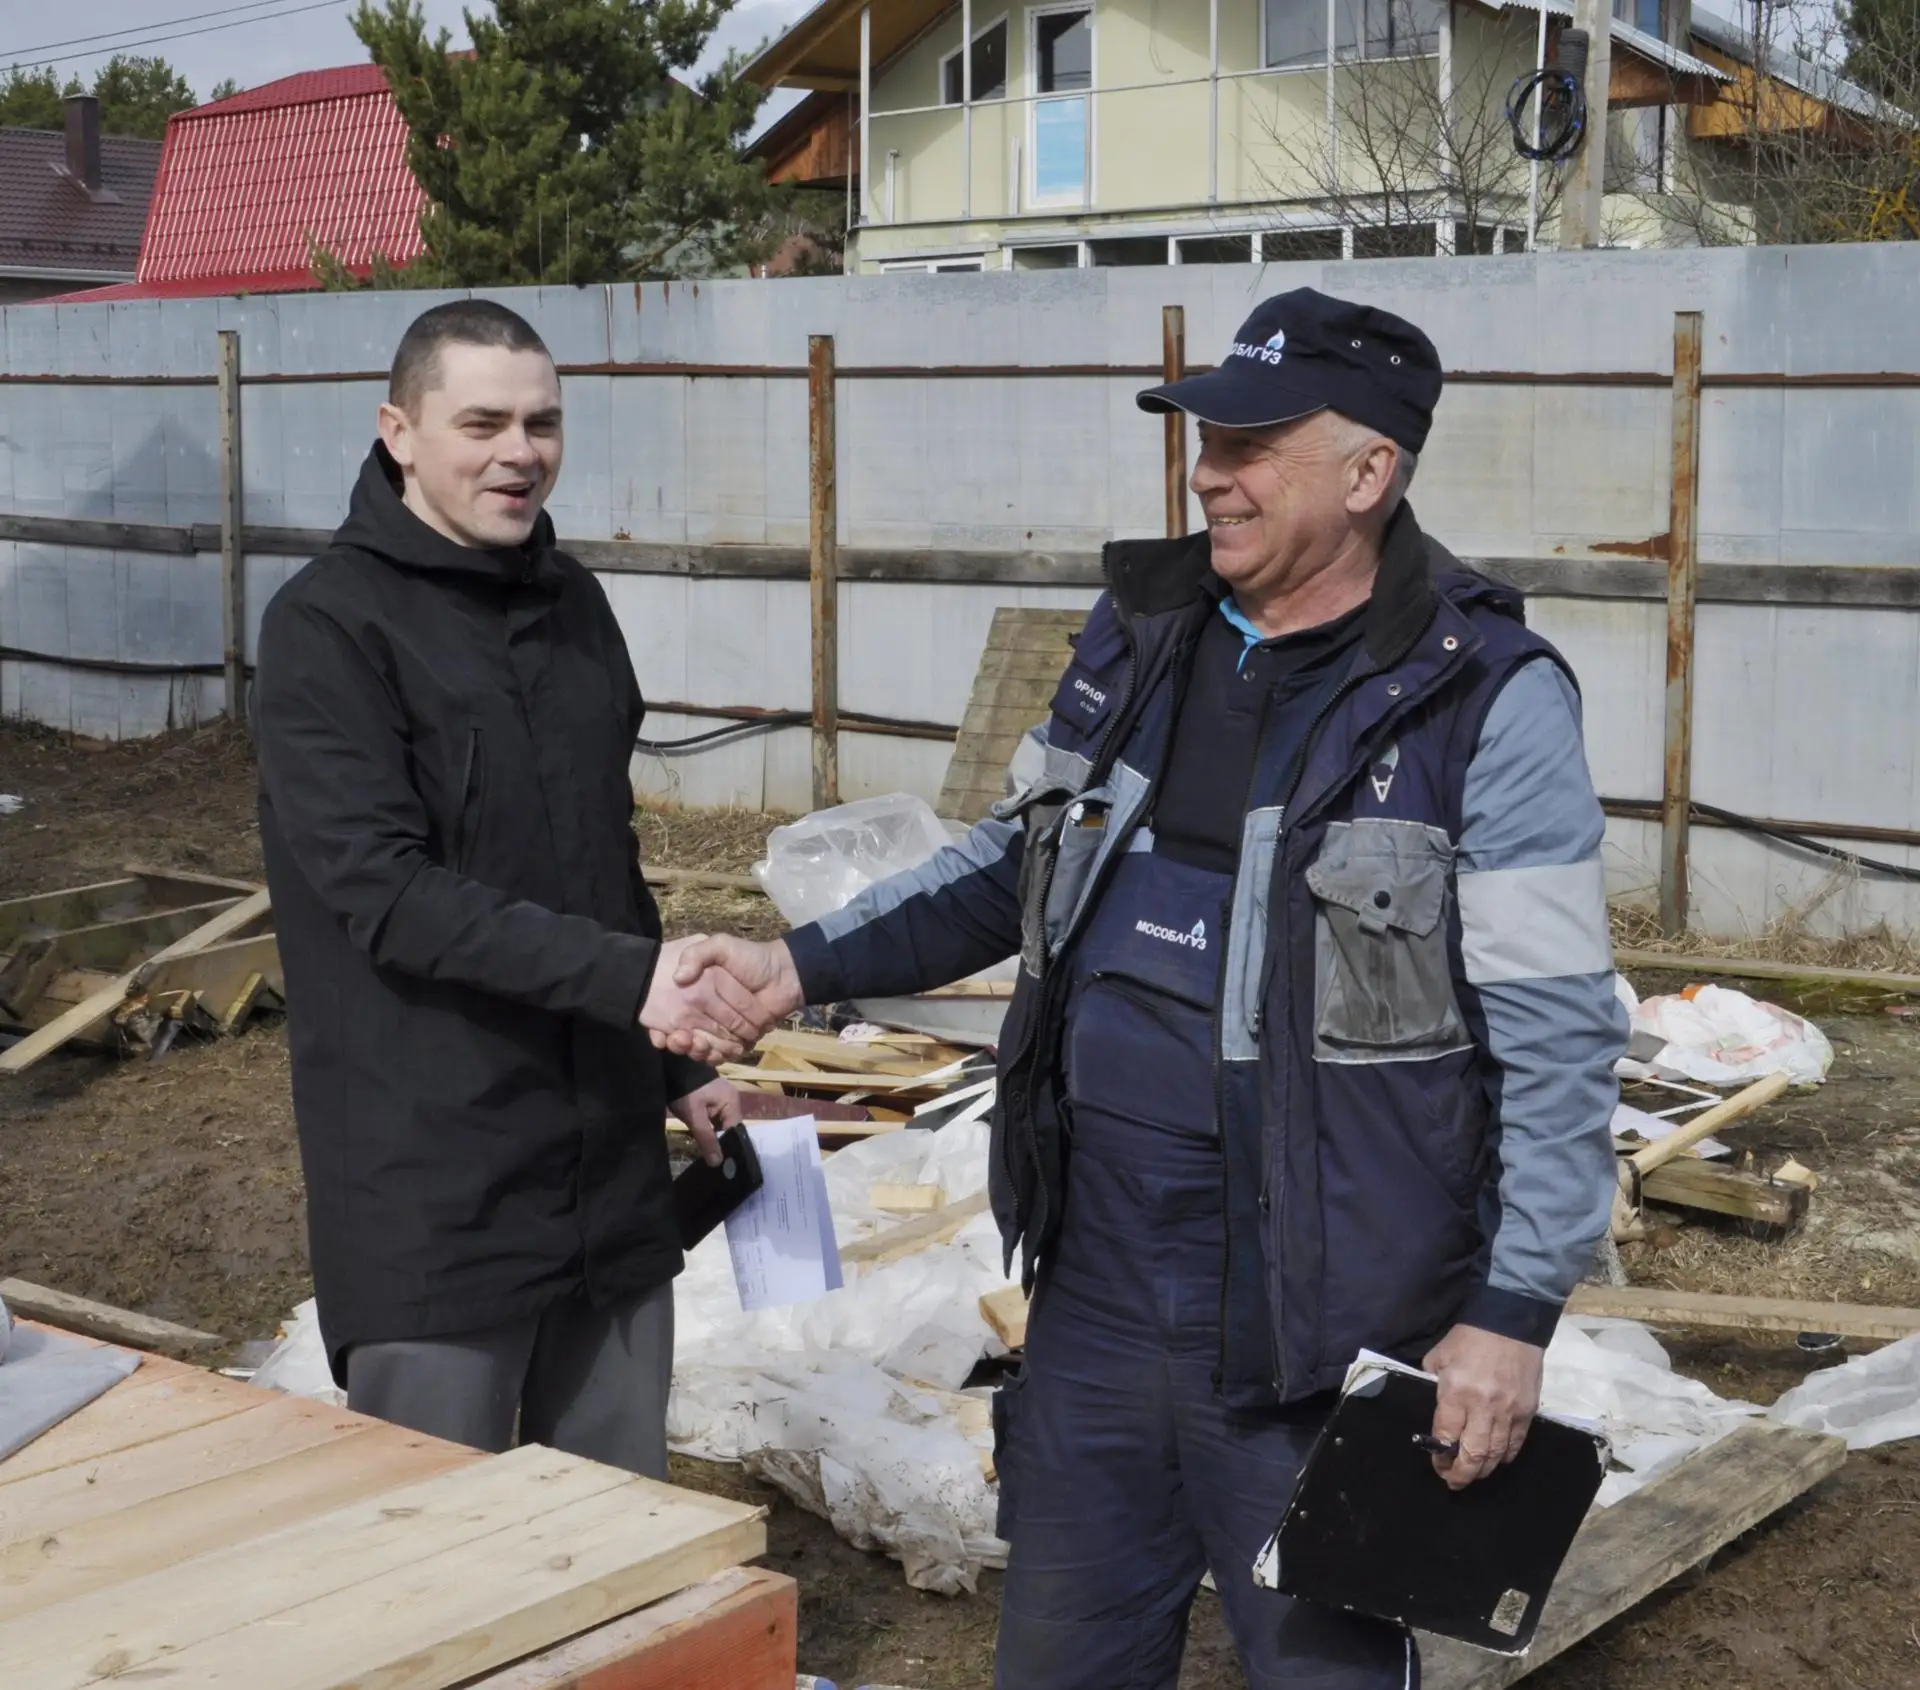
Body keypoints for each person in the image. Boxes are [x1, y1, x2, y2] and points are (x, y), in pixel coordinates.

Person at [674, 289, 1628, 1688]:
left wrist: (1513, 1311)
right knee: (1063, 1659)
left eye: (1251, 446)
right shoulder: (1144, 633)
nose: (1208, 474)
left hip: (1321, 1310)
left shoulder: (1479, 695)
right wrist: (793, 964)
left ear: (1369, 471)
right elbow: (1013, 865)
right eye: (1205, 440)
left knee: (1321, 1670)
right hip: (1100, 1279)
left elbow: (1558, 1039)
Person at [252, 299, 762, 1477]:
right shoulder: (328, 628)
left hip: (606, 1175)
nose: (518, 452)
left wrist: (679, 1066)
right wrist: (637, 982)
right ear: (399, 432)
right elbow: (389, 894)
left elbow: (604, 860)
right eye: (481, 423)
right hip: (437, 1184)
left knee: (614, 1528)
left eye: (543, 423)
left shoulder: (573, 606)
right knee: (442, 1542)